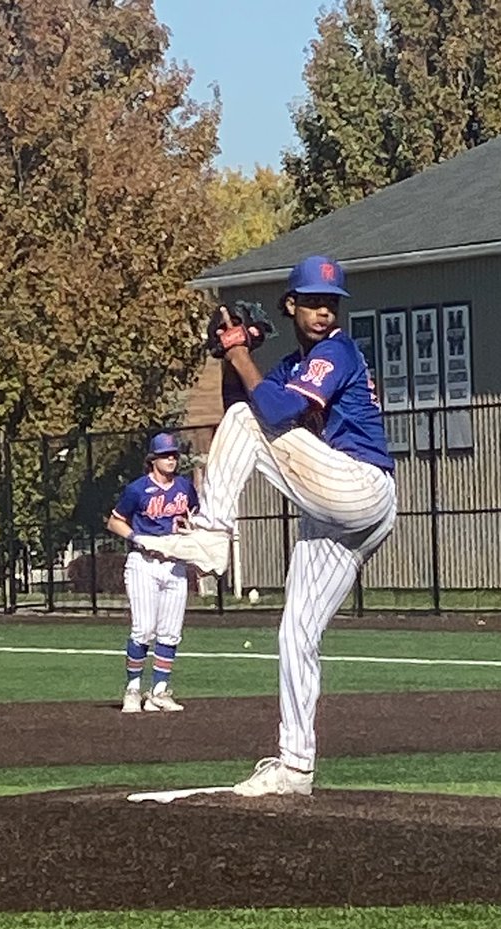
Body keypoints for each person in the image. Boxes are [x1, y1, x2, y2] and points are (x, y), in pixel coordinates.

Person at [136, 254, 396, 795]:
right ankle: (295, 766)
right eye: (314, 301)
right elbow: (246, 403)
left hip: (359, 486)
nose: (325, 312)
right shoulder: (293, 368)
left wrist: (239, 351)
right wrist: (236, 355)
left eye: (332, 303)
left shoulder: (336, 351)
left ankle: (210, 534)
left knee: (249, 422)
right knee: (296, 631)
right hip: (336, 513)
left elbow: (270, 416)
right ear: (291, 304)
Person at [106, 431, 199, 713]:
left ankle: (159, 691)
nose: (171, 459)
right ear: (152, 459)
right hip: (143, 562)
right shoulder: (137, 489)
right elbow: (114, 521)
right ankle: (133, 689)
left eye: (173, 454)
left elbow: (194, 517)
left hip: (174, 562)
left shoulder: (184, 487)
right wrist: (136, 537)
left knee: (170, 632)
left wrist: (192, 535)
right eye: (164, 455)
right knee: (143, 629)